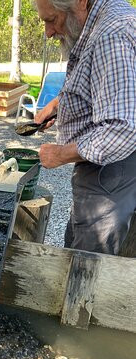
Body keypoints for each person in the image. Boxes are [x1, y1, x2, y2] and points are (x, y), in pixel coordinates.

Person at [34, 0, 136, 255]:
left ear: (79, 2)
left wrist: (60, 154)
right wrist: (60, 104)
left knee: (86, 262)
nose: (48, 32)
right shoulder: (99, 21)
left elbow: (121, 129)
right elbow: (103, 86)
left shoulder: (111, 35)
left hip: (111, 169)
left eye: (51, 19)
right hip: (104, 164)